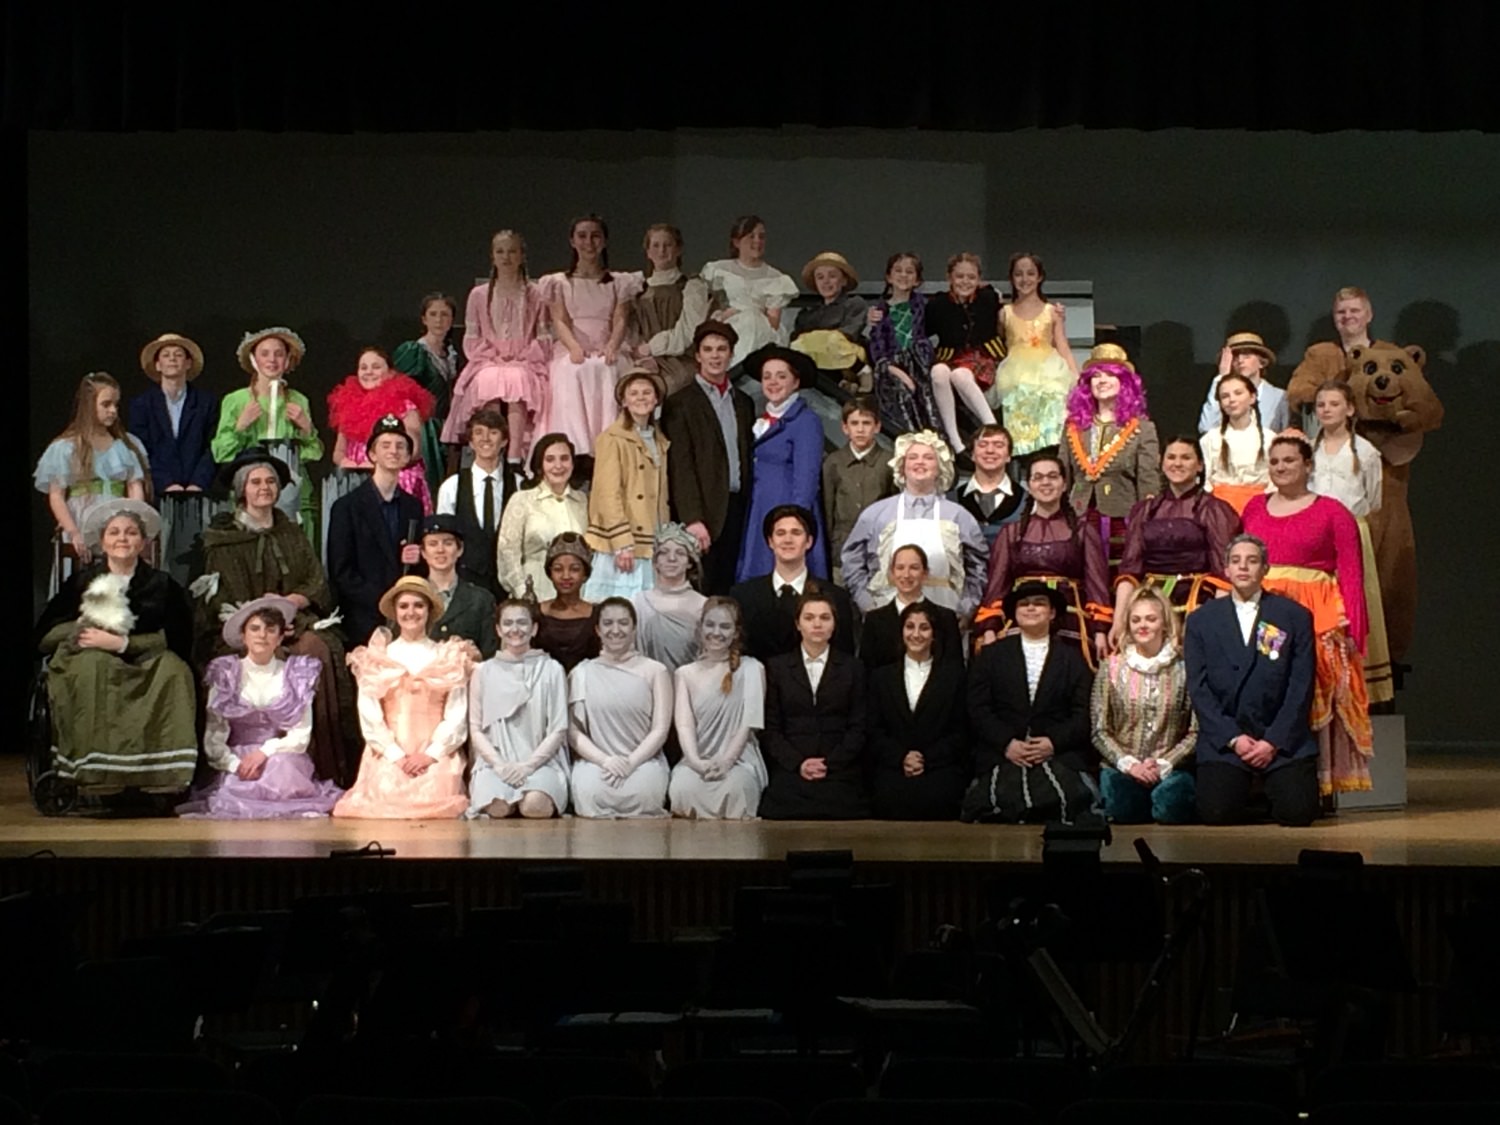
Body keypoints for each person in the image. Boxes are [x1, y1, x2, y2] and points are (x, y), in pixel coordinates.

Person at [195, 447, 353, 785]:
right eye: (255, 482)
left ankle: (321, 765)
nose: (264, 487)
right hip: (243, 627)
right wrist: (259, 619)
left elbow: (315, 582)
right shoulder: (223, 538)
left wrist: (289, 604)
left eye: (270, 481)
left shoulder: (292, 533)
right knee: (245, 653)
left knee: (317, 648)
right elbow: (219, 599)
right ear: (242, 489)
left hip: (291, 622)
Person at [33, 499, 198, 798]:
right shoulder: (83, 582)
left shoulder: (162, 585)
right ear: (103, 541)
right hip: (88, 653)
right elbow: (44, 637)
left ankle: (161, 774)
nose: (123, 538)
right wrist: (82, 627)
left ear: (143, 542)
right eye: (115, 532)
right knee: (94, 667)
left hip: (146, 656)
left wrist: (124, 643)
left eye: (131, 532)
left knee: (174, 671)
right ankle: (97, 771)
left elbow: (181, 636)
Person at [1241, 435, 1372, 796]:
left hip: (1315, 609)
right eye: (1275, 462)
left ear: (1308, 465)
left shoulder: (1333, 512)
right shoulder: (1254, 507)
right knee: (1264, 683)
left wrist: (1354, 628)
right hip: (1264, 607)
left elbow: (1351, 573)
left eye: (1289, 461)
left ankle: (1311, 780)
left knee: (1311, 686)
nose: (1281, 468)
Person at [1185, 535, 1319, 827]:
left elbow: (1301, 685)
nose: (1243, 567)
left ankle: (1271, 791)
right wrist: (1233, 739)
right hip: (1228, 738)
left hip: (1281, 738)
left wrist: (1273, 740)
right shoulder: (1200, 620)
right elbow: (1198, 688)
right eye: (1236, 561)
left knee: (1298, 813)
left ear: (1265, 568)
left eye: (1252, 560)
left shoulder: (1294, 616)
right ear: (1226, 570)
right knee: (1216, 814)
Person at [177, 597, 343, 819]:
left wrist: (264, 752)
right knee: (237, 791)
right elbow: (214, 736)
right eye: (254, 629)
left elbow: (301, 735)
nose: (262, 635)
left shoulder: (295, 675)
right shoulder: (226, 673)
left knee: (283, 771)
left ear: (281, 637)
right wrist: (235, 765)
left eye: (270, 629)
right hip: (238, 759)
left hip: (280, 756)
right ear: (243, 636)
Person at [333, 577, 474, 819]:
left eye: (418, 605)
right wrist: (396, 755)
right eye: (404, 606)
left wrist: (431, 754)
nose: (411, 612)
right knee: (386, 795)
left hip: (434, 751)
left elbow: (456, 714)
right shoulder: (379, 657)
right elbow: (370, 715)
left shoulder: (447, 656)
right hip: (389, 750)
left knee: (433, 796)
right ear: (396, 612)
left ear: (429, 611)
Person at [963, 582, 1095, 824]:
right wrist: (1006, 743)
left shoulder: (1073, 659)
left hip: (1057, 754)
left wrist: (1052, 743)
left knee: (1066, 801)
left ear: (1052, 613)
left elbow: (1083, 713)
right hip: (1002, 753)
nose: (1031, 608)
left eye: (1039, 603)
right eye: (1024, 604)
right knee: (994, 802)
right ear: (1014, 613)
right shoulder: (991, 656)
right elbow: (978, 708)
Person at [977, 452, 1111, 666]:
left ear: (1064, 483)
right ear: (1029, 485)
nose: (1045, 482)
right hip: (1021, 619)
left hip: (1070, 620)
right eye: (1038, 477)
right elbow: (997, 584)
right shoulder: (1010, 533)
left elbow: (1097, 584)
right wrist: (990, 628)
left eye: (1052, 476)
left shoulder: (1084, 531)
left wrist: (1100, 631)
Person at [840, 430, 988, 619]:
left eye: (928, 457)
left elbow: (978, 566)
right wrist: (866, 602)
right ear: (902, 466)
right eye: (913, 457)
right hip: (886, 611)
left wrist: (966, 608)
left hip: (945, 613)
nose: (920, 462)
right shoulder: (875, 514)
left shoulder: (959, 516)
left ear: (940, 467)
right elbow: (852, 560)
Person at [1109, 437, 1240, 650]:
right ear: (1162, 462)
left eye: (1186, 457)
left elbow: (1223, 573)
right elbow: (1130, 570)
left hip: (1197, 604)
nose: (1177, 463)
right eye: (1171, 457)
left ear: (1200, 465)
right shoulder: (1144, 510)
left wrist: (1218, 620)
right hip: (1150, 606)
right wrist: (1119, 620)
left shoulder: (1214, 509)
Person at [1309, 380, 1393, 704]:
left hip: (1351, 532)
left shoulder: (1366, 452)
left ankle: (1359, 676)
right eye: (1321, 405)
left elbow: (1373, 499)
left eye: (1333, 403)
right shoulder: (1309, 450)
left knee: (1353, 600)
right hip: (1316, 533)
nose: (1327, 410)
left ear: (1349, 409)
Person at [660, 321, 756, 595]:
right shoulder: (680, 403)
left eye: (722, 349)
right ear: (698, 355)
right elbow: (680, 466)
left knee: (732, 587)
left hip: (738, 506)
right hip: (704, 510)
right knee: (702, 587)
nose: (715, 355)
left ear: (731, 354)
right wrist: (692, 518)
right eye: (708, 349)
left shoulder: (744, 402)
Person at [1093, 586, 1198, 825]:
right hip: (1123, 767)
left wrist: (1164, 763)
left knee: (1170, 805)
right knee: (1123, 808)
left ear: (1164, 623)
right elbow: (1100, 730)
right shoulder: (1111, 668)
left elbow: (1196, 730)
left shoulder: (1185, 669)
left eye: (1151, 619)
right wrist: (1130, 765)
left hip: (1171, 767)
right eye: (1136, 619)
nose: (1143, 625)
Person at [760, 591, 868, 820]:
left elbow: (859, 726)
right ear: (798, 624)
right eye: (809, 618)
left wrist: (831, 763)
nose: (817, 624)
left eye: (824, 617)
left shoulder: (853, 668)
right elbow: (771, 728)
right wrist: (798, 763)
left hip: (840, 770)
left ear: (834, 624)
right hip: (792, 769)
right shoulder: (777, 668)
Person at [540, 214, 642, 456]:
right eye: (582, 236)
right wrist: (574, 347)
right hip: (573, 346)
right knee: (570, 371)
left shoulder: (619, 282)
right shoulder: (559, 282)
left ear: (604, 241)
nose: (589, 242)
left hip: (607, 345)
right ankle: (575, 449)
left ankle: (609, 447)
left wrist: (612, 345)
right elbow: (560, 319)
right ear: (572, 241)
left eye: (595, 236)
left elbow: (620, 318)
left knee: (608, 370)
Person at [442, 231, 548, 463]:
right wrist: (493, 354)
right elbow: (472, 337)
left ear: (522, 255)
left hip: (525, 360)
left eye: (512, 251)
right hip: (489, 360)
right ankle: (490, 452)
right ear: (492, 256)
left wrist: (523, 353)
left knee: (517, 379)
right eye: (500, 251)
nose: (506, 257)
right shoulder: (479, 295)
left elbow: (542, 335)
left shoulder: (535, 294)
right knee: (489, 379)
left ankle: (514, 457)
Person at [34, 372, 149, 583]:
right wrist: (73, 531)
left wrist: (133, 522)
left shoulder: (124, 446)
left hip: (115, 517)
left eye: (115, 404)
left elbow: (134, 486)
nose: (113, 410)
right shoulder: (66, 447)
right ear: (89, 406)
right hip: (81, 518)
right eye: (106, 404)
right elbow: (57, 495)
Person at [212, 327, 323, 542]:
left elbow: (313, 453)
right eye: (264, 353)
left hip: (293, 489)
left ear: (287, 360)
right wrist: (241, 426)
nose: (272, 360)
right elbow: (221, 453)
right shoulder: (236, 400)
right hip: (251, 492)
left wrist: (306, 428)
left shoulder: (298, 400)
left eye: (279, 353)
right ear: (254, 359)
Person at [567, 598, 673, 818]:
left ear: (634, 629)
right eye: (608, 623)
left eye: (623, 623)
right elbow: (573, 730)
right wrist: (605, 761)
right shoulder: (581, 672)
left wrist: (630, 762)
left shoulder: (656, 671)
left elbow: (660, 729)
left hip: (643, 763)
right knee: (590, 792)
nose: (615, 630)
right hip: (596, 764)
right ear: (597, 629)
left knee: (645, 792)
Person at [1058, 347, 1162, 571]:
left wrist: (1147, 520)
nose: (1101, 380)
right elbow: (1062, 475)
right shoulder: (1073, 427)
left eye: (1109, 374)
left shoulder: (1142, 428)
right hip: (1079, 517)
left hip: (1122, 520)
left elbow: (1148, 478)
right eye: (1095, 375)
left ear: (1124, 382)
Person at [466, 599, 570, 819]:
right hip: (495, 764)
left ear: (534, 628)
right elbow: (475, 729)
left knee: (535, 806)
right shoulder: (483, 672)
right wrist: (500, 765)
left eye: (522, 623)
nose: (515, 629)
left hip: (541, 763)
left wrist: (528, 767)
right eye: (508, 623)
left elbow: (558, 729)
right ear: (498, 629)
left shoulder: (552, 669)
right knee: (498, 808)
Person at [325, 416, 424, 646]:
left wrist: (419, 557)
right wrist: (382, 601)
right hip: (362, 618)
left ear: (408, 456)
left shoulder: (413, 506)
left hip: (405, 619)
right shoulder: (346, 507)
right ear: (371, 454)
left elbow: (418, 566)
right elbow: (341, 571)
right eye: (385, 445)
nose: (393, 451)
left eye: (401, 446)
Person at [128, 334, 219, 583]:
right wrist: (165, 481)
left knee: (197, 556)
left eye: (178, 355)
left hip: (198, 491)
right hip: (159, 491)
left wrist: (198, 482)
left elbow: (214, 445)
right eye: (166, 355)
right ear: (157, 365)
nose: (172, 360)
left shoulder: (207, 402)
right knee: (163, 556)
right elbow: (140, 448)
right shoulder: (142, 404)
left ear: (188, 363)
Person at [668, 597, 769, 819]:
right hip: (698, 758)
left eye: (725, 626)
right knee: (682, 787)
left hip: (739, 760)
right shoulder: (684, 674)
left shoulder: (753, 669)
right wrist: (695, 762)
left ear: (736, 632)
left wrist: (726, 762)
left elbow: (748, 724)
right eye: (710, 625)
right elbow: (684, 725)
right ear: (700, 627)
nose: (717, 632)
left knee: (736, 786)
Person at [867, 602, 970, 820]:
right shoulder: (880, 678)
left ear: (934, 634)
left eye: (924, 628)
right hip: (892, 769)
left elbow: (961, 731)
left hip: (939, 770)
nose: (916, 634)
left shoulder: (955, 678)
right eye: (909, 627)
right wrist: (901, 757)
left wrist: (926, 759)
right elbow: (873, 730)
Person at [737, 345, 828, 582]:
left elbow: (806, 480)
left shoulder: (806, 421)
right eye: (767, 376)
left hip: (785, 508)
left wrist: (796, 522)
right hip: (760, 509)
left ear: (795, 382)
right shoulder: (761, 419)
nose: (773, 382)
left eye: (781, 376)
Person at [582, 369, 670, 600]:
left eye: (647, 392)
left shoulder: (658, 439)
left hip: (651, 538)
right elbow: (608, 493)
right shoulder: (612, 439)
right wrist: (622, 543)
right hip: (625, 542)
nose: (641, 398)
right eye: (634, 393)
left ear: (656, 399)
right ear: (624, 400)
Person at [730, 505, 856, 663]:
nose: (787, 540)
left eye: (796, 533)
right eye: (780, 533)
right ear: (770, 541)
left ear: (809, 541)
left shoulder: (837, 597)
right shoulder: (743, 595)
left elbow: (844, 661)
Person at [324, 346, 435, 521]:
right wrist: (349, 463)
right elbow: (338, 452)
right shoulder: (348, 406)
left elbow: (413, 450)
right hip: (356, 478)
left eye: (376, 367)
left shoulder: (404, 405)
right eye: (364, 367)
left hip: (397, 478)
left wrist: (383, 464)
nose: (369, 372)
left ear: (390, 373)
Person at [990, 252, 1079, 455]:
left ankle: (1051, 451)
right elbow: (1000, 345)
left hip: (1048, 368)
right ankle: (1023, 455)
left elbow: (1061, 344)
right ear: (1012, 278)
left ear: (1040, 277)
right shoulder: (1005, 313)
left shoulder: (1051, 311)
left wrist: (1076, 375)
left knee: (1052, 397)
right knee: (1020, 396)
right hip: (1016, 372)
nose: (1025, 279)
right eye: (1018, 274)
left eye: (1030, 273)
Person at [435, 405, 521, 596]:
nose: (486, 439)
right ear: (471, 442)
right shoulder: (452, 487)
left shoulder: (519, 485)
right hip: (466, 582)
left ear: (504, 440)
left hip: (510, 585)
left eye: (493, 432)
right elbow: (444, 538)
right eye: (479, 433)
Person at [922, 252, 1001, 457]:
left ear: (979, 279)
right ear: (949, 277)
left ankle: (993, 427)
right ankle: (954, 441)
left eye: (971, 277)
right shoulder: (937, 305)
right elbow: (920, 330)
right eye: (959, 276)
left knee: (960, 375)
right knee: (939, 372)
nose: (965, 282)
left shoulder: (988, 298)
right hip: (951, 356)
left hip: (982, 356)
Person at [494, 433, 587, 601]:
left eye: (564, 458)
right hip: (534, 594)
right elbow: (507, 552)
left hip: (578, 598)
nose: (558, 465)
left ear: (573, 463)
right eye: (550, 459)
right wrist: (523, 591)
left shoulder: (583, 501)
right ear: (539, 465)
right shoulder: (522, 500)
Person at [625, 223, 714, 396]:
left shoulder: (691, 287)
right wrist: (643, 356)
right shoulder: (638, 290)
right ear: (648, 252)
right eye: (656, 246)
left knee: (666, 388)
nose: (662, 251)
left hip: (680, 362)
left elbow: (688, 332)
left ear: (678, 249)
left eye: (668, 245)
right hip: (645, 360)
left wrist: (651, 348)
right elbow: (633, 331)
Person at [700, 215, 798, 368]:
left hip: (762, 329)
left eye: (761, 236)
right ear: (737, 242)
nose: (757, 241)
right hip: (728, 324)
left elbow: (773, 322)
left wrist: (750, 314)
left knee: (752, 322)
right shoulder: (719, 270)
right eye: (751, 236)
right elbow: (714, 305)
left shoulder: (776, 278)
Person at [866, 252, 941, 439]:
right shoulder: (880, 312)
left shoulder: (924, 306)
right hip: (892, 368)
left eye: (909, 271)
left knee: (927, 397)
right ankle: (908, 439)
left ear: (917, 280)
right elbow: (878, 350)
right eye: (898, 271)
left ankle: (934, 440)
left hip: (920, 365)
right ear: (889, 277)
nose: (903, 275)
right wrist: (896, 371)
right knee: (901, 392)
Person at [821, 397, 895, 585]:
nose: (860, 429)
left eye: (866, 423)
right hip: (842, 548)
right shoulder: (834, 462)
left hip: (878, 547)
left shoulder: (889, 462)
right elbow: (827, 508)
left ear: (877, 427)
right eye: (854, 423)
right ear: (845, 428)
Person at [391, 292, 458, 494]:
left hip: (448, 427)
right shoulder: (414, 351)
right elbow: (397, 393)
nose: (439, 320)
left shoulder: (452, 354)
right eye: (433, 314)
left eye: (444, 314)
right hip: (424, 427)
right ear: (424, 319)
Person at [859, 544, 964, 672]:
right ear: (892, 573)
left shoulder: (946, 618)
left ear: (925, 573)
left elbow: (955, 670)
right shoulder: (874, 621)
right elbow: (866, 670)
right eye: (900, 568)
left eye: (914, 568)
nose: (906, 574)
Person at [1286, 287, 1385, 415]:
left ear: (1369, 315)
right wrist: (1336, 401)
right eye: (1341, 312)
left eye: (1354, 310)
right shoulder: (1319, 354)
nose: (1347, 316)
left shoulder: (1387, 353)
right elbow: (1297, 391)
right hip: (1331, 429)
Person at [419, 514, 497, 659]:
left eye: (448, 543)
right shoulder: (411, 597)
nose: (440, 550)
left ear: (460, 550)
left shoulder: (481, 600)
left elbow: (490, 655)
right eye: (433, 544)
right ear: (423, 552)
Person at [633, 523, 707, 673]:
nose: (671, 558)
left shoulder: (703, 605)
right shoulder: (639, 603)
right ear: (655, 562)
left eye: (680, 553)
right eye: (664, 552)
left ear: (689, 563)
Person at [790, 250, 868, 387]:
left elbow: (850, 332)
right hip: (816, 361)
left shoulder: (854, 303)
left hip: (845, 354)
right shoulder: (807, 313)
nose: (826, 282)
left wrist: (821, 338)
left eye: (832, 276)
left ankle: (856, 376)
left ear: (843, 280)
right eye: (820, 277)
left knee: (834, 339)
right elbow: (797, 339)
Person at [1198, 372, 1272, 515]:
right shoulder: (1210, 439)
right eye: (1225, 396)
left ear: (1252, 397)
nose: (1231, 400)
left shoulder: (1270, 438)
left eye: (1238, 393)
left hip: (1261, 510)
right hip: (1219, 512)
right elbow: (1206, 482)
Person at [532, 532, 600, 672]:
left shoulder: (598, 616)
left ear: (585, 574)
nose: (566, 576)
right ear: (550, 573)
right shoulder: (535, 613)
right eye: (558, 569)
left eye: (574, 569)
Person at [1199, 331, 1290, 436]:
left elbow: (1287, 435)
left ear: (1262, 362)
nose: (1240, 360)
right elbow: (1206, 427)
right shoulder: (1228, 397)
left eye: (1247, 355)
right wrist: (1222, 378)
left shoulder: (1280, 396)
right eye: (1235, 357)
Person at [952, 423, 1025, 548]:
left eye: (998, 445)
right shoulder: (951, 501)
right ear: (972, 455)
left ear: (1009, 456)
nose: (990, 450)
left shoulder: (1029, 502)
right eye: (983, 445)